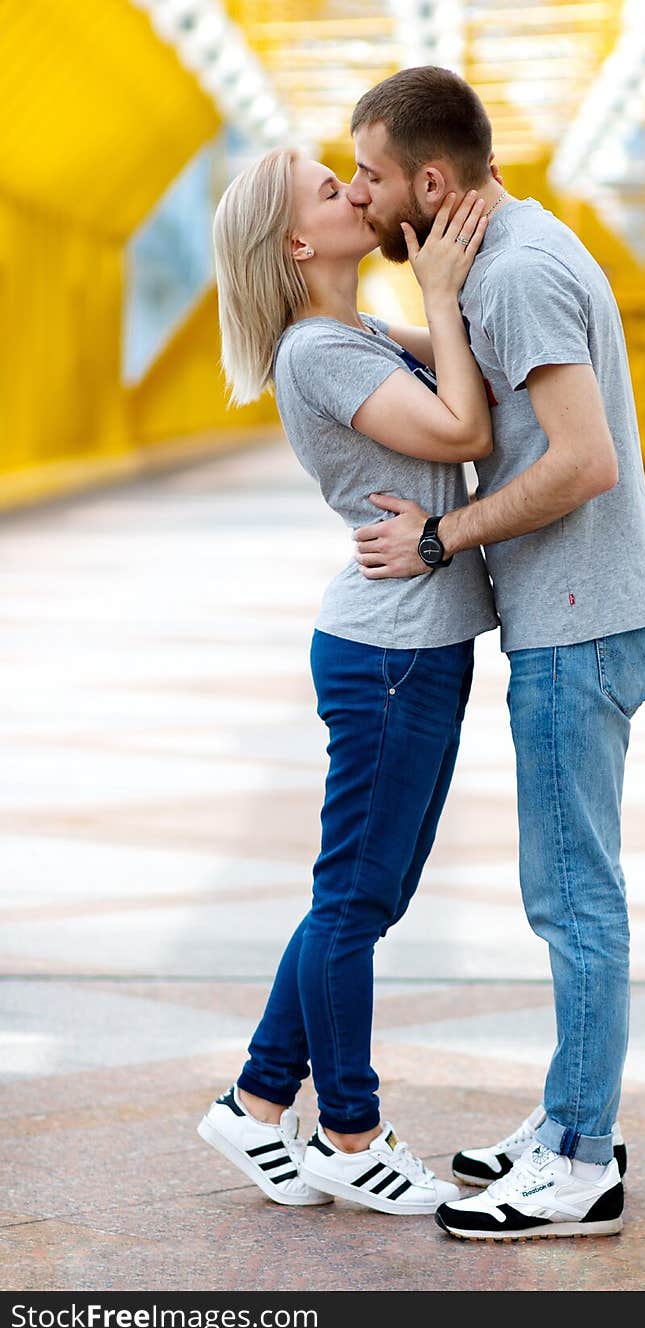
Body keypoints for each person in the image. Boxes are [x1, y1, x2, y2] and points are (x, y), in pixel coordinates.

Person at [345, 66, 645, 1241]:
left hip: (578, 619)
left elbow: (582, 460)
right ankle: (568, 1115)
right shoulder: (507, 248)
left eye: (373, 175)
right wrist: (362, 318)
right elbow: (478, 375)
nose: (361, 193)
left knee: (574, 896)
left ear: (432, 182)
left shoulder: (520, 272)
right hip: (585, 610)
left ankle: (579, 1160)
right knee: (572, 888)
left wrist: (440, 534)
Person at [197, 146, 499, 1216]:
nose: (354, 194)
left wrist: (445, 291)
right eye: (331, 191)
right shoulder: (319, 351)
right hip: (388, 654)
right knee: (355, 899)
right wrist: (441, 291)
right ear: (294, 243)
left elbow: (487, 380)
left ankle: (254, 1098)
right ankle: (350, 1130)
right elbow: (463, 427)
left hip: (414, 645)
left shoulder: (358, 333)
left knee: (364, 893)